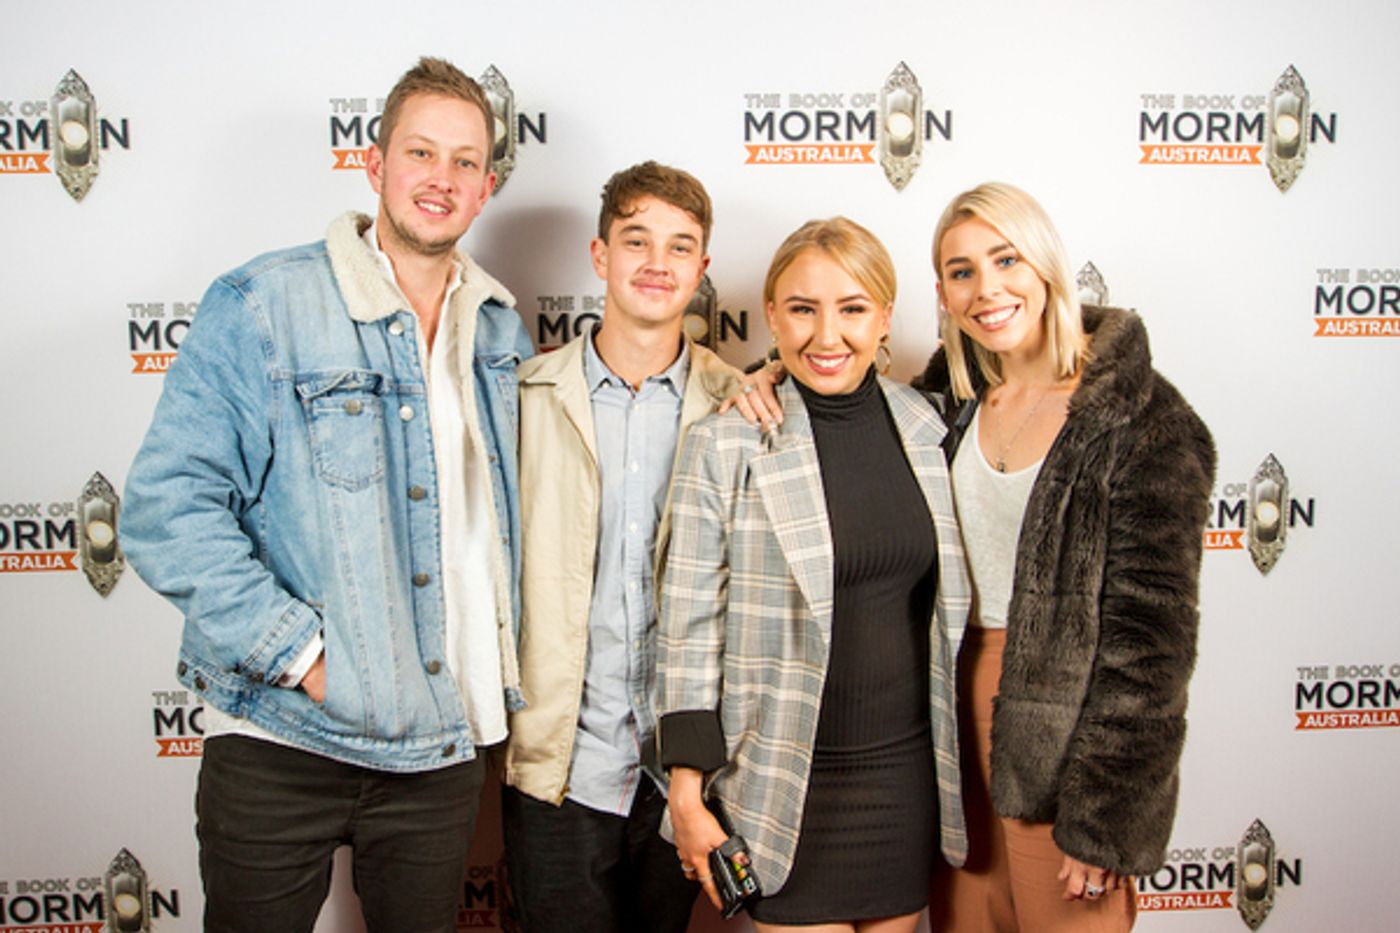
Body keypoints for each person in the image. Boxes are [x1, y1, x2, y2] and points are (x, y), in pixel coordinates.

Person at [121, 57, 533, 933]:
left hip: (438, 747)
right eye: (420, 152)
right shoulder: (265, 303)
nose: (442, 177)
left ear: (486, 188)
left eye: (464, 161)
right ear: (374, 163)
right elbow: (166, 508)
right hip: (281, 742)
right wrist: (306, 658)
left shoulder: (499, 328)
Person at [734, 183, 1215, 932]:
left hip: (1061, 740)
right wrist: (769, 374)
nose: (987, 288)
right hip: (940, 733)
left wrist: (1108, 816)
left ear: (1047, 265)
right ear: (943, 294)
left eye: (1006, 260)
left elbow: (1152, 647)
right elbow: (839, 373)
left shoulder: (1143, 419)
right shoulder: (946, 401)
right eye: (962, 271)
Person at [659, 217, 971, 932]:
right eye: (803, 309)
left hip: (903, 784)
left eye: (852, 308)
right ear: (772, 314)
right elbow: (687, 632)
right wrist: (686, 792)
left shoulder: (930, 426)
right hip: (782, 787)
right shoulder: (727, 441)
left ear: (885, 316)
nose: (827, 336)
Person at [500, 161, 741, 933]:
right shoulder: (524, 398)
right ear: (600, 255)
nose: (657, 263)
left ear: (701, 269)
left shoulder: (742, 407)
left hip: (683, 776)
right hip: (562, 767)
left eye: (680, 246)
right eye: (637, 240)